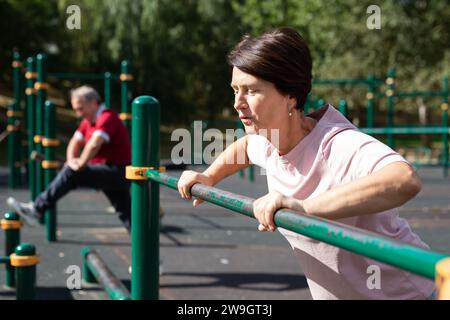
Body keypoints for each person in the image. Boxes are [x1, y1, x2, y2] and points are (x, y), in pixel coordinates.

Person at [176, 27, 436, 299]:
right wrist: (208, 177)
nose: (238, 103)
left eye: (251, 91)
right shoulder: (267, 139)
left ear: (290, 94)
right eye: (235, 90)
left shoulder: (336, 144)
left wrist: (304, 208)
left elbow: (404, 180)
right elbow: (246, 146)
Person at [7, 85, 132, 233]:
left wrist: (79, 164)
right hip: (109, 171)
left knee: (72, 174)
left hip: (118, 172)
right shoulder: (89, 120)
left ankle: (37, 209)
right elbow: (75, 141)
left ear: (93, 102)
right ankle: (145, 240)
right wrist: (72, 160)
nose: (78, 114)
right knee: (127, 215)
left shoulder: (107, 117)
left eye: (80, 108)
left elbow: (94, 144)